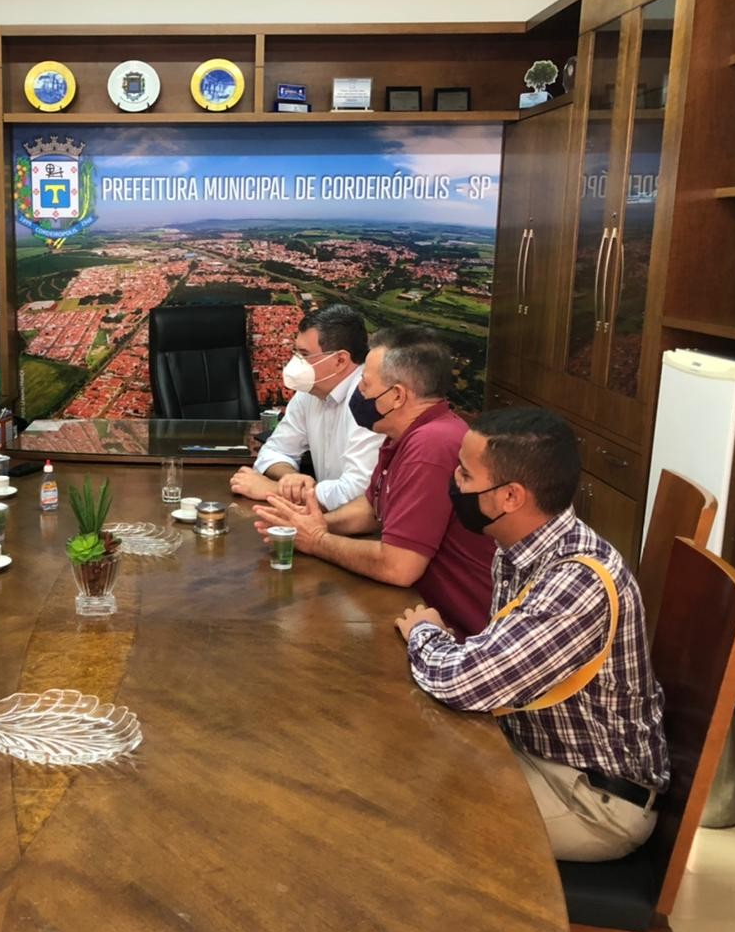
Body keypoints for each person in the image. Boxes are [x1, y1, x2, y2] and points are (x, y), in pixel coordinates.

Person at [395, 407, 668, 861]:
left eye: (464, 474)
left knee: (410, 813)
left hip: (592, 801)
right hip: (537, 756)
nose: (454, 482)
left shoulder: (575, 582)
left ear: (510, 497)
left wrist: (426, 633)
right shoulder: (519, 548)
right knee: (401, 758)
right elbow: (493, 664)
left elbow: (463, 681)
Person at [253, 325, 494, 638]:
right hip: (418, 609)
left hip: (456, 630)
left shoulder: (430, 446)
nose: (359, 394)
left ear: (396, 396)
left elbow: (399, 566)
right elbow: (371, 508)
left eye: (364, 385)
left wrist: (317, 540)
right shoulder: (403, 434)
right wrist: (315, 524)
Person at [230, 304, 382, 510]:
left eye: (304, 354)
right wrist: (291, 479)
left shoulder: (370, 399)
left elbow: (358, 493)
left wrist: (273, 489)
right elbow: (274, 451)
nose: (295, 362)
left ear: (339, 360)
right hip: (321, 519)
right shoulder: (309, 393)